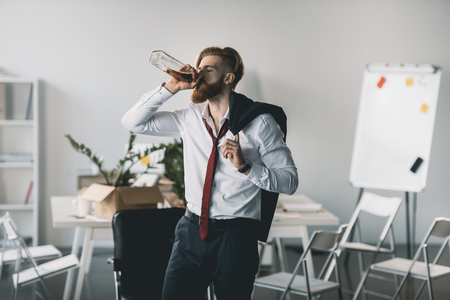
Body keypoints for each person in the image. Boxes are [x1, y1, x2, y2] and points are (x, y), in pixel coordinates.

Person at [122, 46, 298, 300]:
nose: (199, 73)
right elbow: (133, 122)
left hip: (236, 239)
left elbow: (290, 181)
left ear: (229, 78)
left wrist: (246, 167)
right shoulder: (189, 117)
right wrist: (170, 87)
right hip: (190, 232)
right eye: (199, 67)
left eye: (209, 69)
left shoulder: (260, 123)